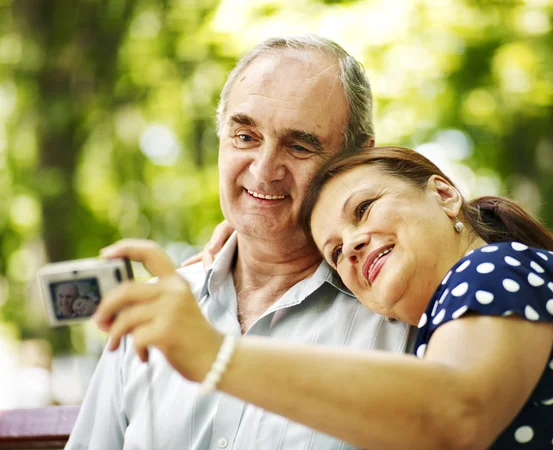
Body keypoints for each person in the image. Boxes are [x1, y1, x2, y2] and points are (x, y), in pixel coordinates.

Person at [93, 146, 553, 450]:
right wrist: (251, 240)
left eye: (364, 209)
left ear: (444, 195)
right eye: (334, 253)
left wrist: (213, 354)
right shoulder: (439, 323)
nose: (352, 246)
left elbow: (455, 413)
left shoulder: (494, 267)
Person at [66, 36, 410, 450]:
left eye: (299, 145)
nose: (264, 171)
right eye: (245, 136)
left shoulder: (398, 316)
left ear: (356, 161)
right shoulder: (150, 313)